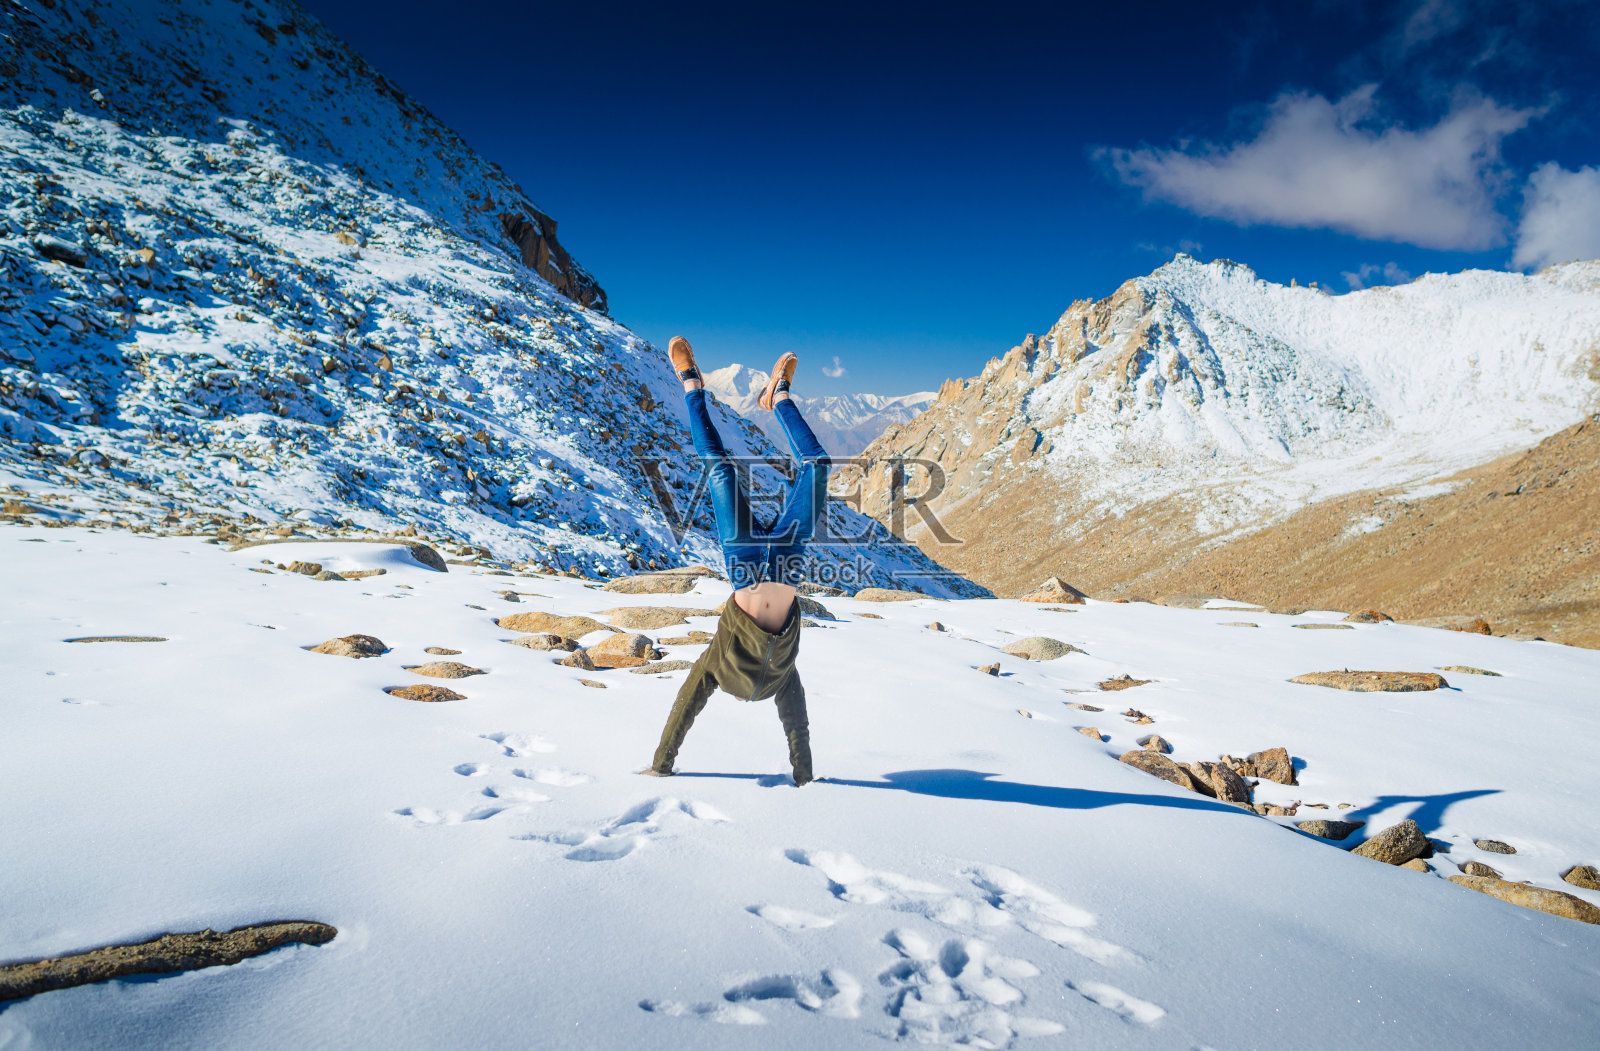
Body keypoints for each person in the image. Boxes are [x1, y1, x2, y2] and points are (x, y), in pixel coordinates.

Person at [641, 336, 830, 786]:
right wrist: (804, 777)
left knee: (718, 467)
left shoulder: (715, 666)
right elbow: (798, 731)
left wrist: (661, 766)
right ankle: (777, 397)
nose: (751, 690)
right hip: (787, 564)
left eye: (745, 690)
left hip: (744, 566)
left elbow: (683, 709)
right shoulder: (784, 678)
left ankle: (691, 385)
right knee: (818, 466)